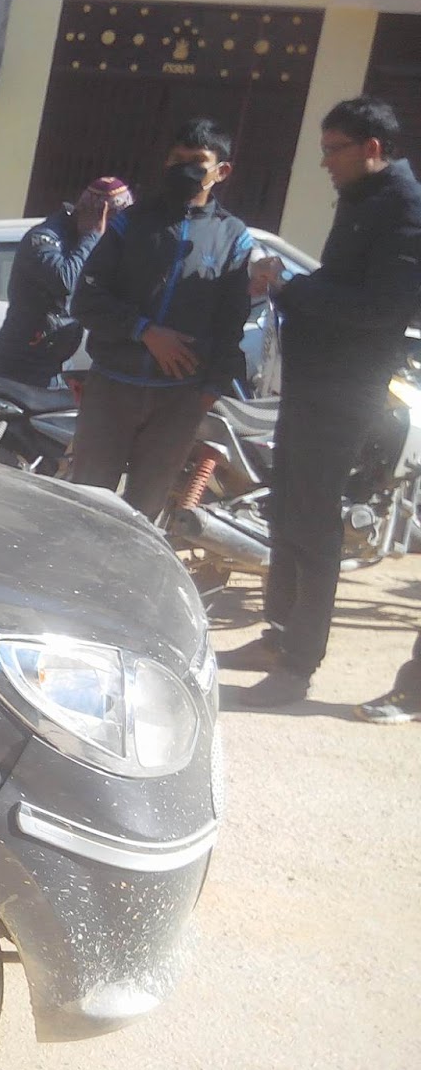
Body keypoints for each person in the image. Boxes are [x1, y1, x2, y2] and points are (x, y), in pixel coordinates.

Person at [225, 96, 421, 707]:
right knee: (287, 512)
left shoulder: (405, 210)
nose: (326, 162)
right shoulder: (365, 199)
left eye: (335, 150)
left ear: (372, 148)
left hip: (346, 389)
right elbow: (339, 286)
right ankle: (277, 637)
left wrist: (289, 288)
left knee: (313, 525)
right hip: (314, 384)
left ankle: (298, 665)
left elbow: (380, 310)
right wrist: (285, 285)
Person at [69, 118, 253, 518]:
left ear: (222, 171)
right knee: (86, 505)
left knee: (145, 510)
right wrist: (145, 332)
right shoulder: (130, 222)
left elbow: (231, 322)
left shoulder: (233, 236)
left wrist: (211, 389)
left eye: (197, 161)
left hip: (180, 399)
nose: (184, 168)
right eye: (176, 158)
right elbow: (85, 300)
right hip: (112, 389)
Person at [0, 176, 134, 387]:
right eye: (114, 221)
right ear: (99, 215)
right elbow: (65, 281)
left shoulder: (86, 241)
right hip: (23, 364)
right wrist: (92, 236)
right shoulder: (45, 237)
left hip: (60, 362)